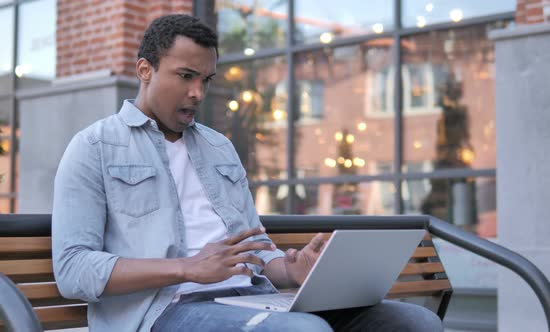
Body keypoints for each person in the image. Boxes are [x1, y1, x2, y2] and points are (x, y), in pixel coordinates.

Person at [52, 14, 443, 332]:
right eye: (185, 76)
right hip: (165, 312)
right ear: (145, 70)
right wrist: (187, 268)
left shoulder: (218, 147)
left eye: (206, 80)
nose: (197, 94)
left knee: (413, 321)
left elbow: (254, 250)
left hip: (251, 299)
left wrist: (290, 269)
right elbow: (72, 269)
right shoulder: (95, 147)